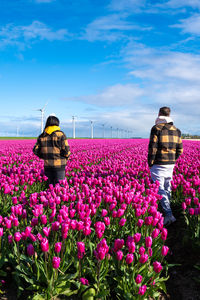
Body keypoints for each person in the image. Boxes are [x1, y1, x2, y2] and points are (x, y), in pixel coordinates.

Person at [148, 107, 183, 226]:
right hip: (170, 164)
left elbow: (153, 148)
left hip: (158, 163)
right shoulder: (177, 130)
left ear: (159, 114)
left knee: (160, 189)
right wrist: (173, 159)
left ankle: (168, 215)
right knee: (167, 187)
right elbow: (180, 150)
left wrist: (150, 163)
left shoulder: (156, 128)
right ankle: (169, 209)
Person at [33, 115, 70, 186]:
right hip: (59, 166)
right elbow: (66, 151)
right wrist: (65, 157)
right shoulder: (61, 135)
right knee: (59, 188)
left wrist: (44, 156)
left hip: (47, 166)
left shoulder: (42, 136)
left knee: (49, 187)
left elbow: (35, 150)